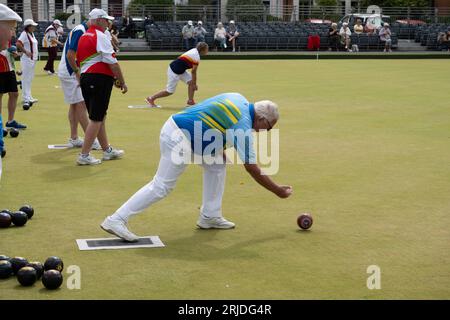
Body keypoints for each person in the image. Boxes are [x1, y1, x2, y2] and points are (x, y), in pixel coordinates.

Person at [100, 92, 293, 241]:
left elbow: (209, 113)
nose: (265, 132)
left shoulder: (239, 98)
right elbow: (252, 169)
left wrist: (218, 147)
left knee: (217, 165)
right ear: (260, 119)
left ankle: (210, 215)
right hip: (180, 137)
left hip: (190, 134)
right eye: (268, 128)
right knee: (162, 186)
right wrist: (277, 191)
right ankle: (116, 219)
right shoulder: (243, 126)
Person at [76, 9, 127, 165]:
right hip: (98, 79)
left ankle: (107, 150)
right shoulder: (100, 35)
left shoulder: (85, 35)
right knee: (97, 118)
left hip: (87, 78)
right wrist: (122, 81)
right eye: (106, 19)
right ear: (98, 20)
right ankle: (84, 155)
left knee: (99, 116)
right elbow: (113, 62)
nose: (108, 22)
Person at [57, 21, 101, 150]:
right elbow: (70, 55)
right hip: (70, 71)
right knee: (81, 103)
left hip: (68, 71)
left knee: (75, 104)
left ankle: (74, 138)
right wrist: (77, 72)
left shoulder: (82, 30)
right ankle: (91, 140)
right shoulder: (80, 31)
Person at [145, 42, 209, 108]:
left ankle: (190, 101)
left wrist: (193, 83)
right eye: (207, 49)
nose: (207, 51)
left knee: (191, 83)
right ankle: (150, 98)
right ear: (203, 50)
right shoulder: (196, 56)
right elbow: (193, 71)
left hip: (181, 70)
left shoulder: (194, 50)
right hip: (173, 71)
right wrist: (195, 83)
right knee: (169, 91)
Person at [0, 4, 22, 166]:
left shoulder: (8, 44)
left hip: (9, 70)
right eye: (11, 28)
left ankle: (8, 121)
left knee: (14, 94)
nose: (13, 33)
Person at [1, 44, 27, 137]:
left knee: (14, 94)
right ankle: (0, 124)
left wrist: (12, 51)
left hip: (9, 68)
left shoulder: (7, 34)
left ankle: (10, 121)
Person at [16, 18, 39, 110]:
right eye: (32, 26)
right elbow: (18, 43)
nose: (34, 27)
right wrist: (25, 51)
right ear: (28, 27)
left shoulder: (31, 34)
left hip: (33, 60)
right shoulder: (24, 34)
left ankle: (29, 96)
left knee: (29, 79)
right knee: (25, 79)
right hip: (27, 60)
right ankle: (25, 98)